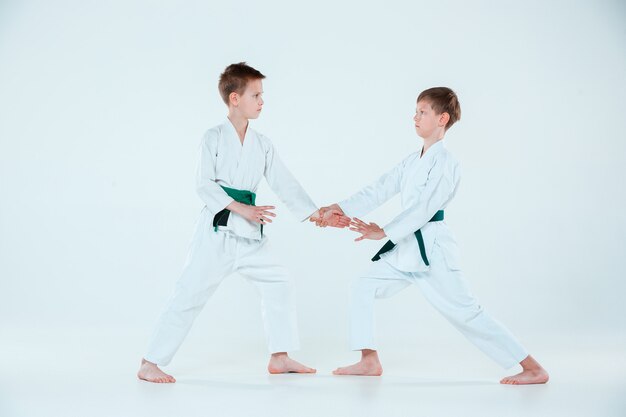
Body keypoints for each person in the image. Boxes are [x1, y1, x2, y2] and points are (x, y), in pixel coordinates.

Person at [318, 87, 549, 385]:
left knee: (468, 313)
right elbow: (380, 188)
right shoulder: (412, 161)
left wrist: (384, 231)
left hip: (433, 250)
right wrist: (339, 207)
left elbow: (424, 209)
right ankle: (369, 359)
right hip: (406, 250)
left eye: (422, 112)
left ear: (442, 118)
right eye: (415, 111)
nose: (415, 117)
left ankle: (532, 367)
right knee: (363, 285)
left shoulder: (446, 163)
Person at [138, 62, 349, 383]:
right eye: (256, 95)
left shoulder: (262, 143)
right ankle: (150, 361)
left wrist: (316, 214)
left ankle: (280, 356)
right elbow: (203, 184)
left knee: (279, 281)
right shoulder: (213, 137)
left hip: (250, 234)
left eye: (262, 95)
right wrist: (239, 208)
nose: (262, 101)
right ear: (235, 98)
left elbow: (284, 183)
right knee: (189, 293)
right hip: (218, 230)